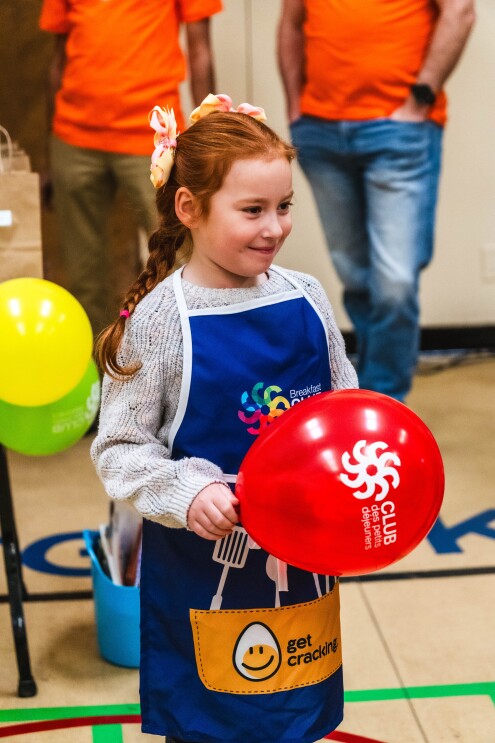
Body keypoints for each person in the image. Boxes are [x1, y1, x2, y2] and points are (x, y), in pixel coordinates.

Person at [91, 93, 358, 743]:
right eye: (252, 210)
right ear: (190, 209)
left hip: (300, 568)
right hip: (200, 569)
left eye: (284, 206)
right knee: (212, 717)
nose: (274, 226)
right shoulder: (159, 321)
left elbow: (345, 413)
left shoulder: (307, 297)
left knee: (294, 710)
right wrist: (190, 491)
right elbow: (120, 450)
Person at [277, 0, 475, 402]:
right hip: (320, 130)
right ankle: (369, 387)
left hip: (398, 131)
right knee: (356, 276)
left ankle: (381, 402)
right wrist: (296, 107)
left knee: (395, 283)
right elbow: (292, 24)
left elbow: (460, 10)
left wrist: (421, 97)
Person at [39, 0, 222, 337]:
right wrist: (49, 154)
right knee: (83, 277)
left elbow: (201, 52)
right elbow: (58, 59)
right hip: (73, 137)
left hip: (152, 139)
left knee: (184, 260)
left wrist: (208, 141)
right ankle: (95, 375)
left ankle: (193, 357)